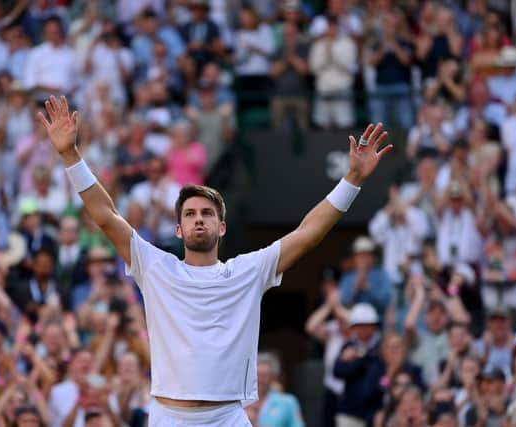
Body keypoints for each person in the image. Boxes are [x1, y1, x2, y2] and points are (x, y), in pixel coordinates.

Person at [38, 95, 391, 425]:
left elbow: (307, 234)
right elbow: (106, 216)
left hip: (228, 417)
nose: (198, 219)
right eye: (190, 214)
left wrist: (353, 180)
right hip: (168, 415)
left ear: (221, 227)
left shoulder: (249, 271)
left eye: (207, 213)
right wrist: (70, 156)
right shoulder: (155, 266)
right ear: (178, 229)